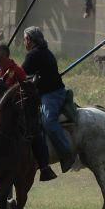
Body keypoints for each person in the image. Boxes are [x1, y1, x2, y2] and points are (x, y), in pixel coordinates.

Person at [0, 43, 58, 182]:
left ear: (5, 55)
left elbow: (28, 91)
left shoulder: (17, 70)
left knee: (36, 132)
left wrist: (6, 87)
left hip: (15, 115)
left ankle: (44, 167)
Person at [22, 27, 75, 174]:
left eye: (25, 39)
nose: (24, 43)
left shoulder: (34, 55)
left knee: (48, 121)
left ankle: (66, 153)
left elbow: (21, 75)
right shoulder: (42, 52)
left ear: (30, 41)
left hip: (52, 94)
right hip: (41, 93)